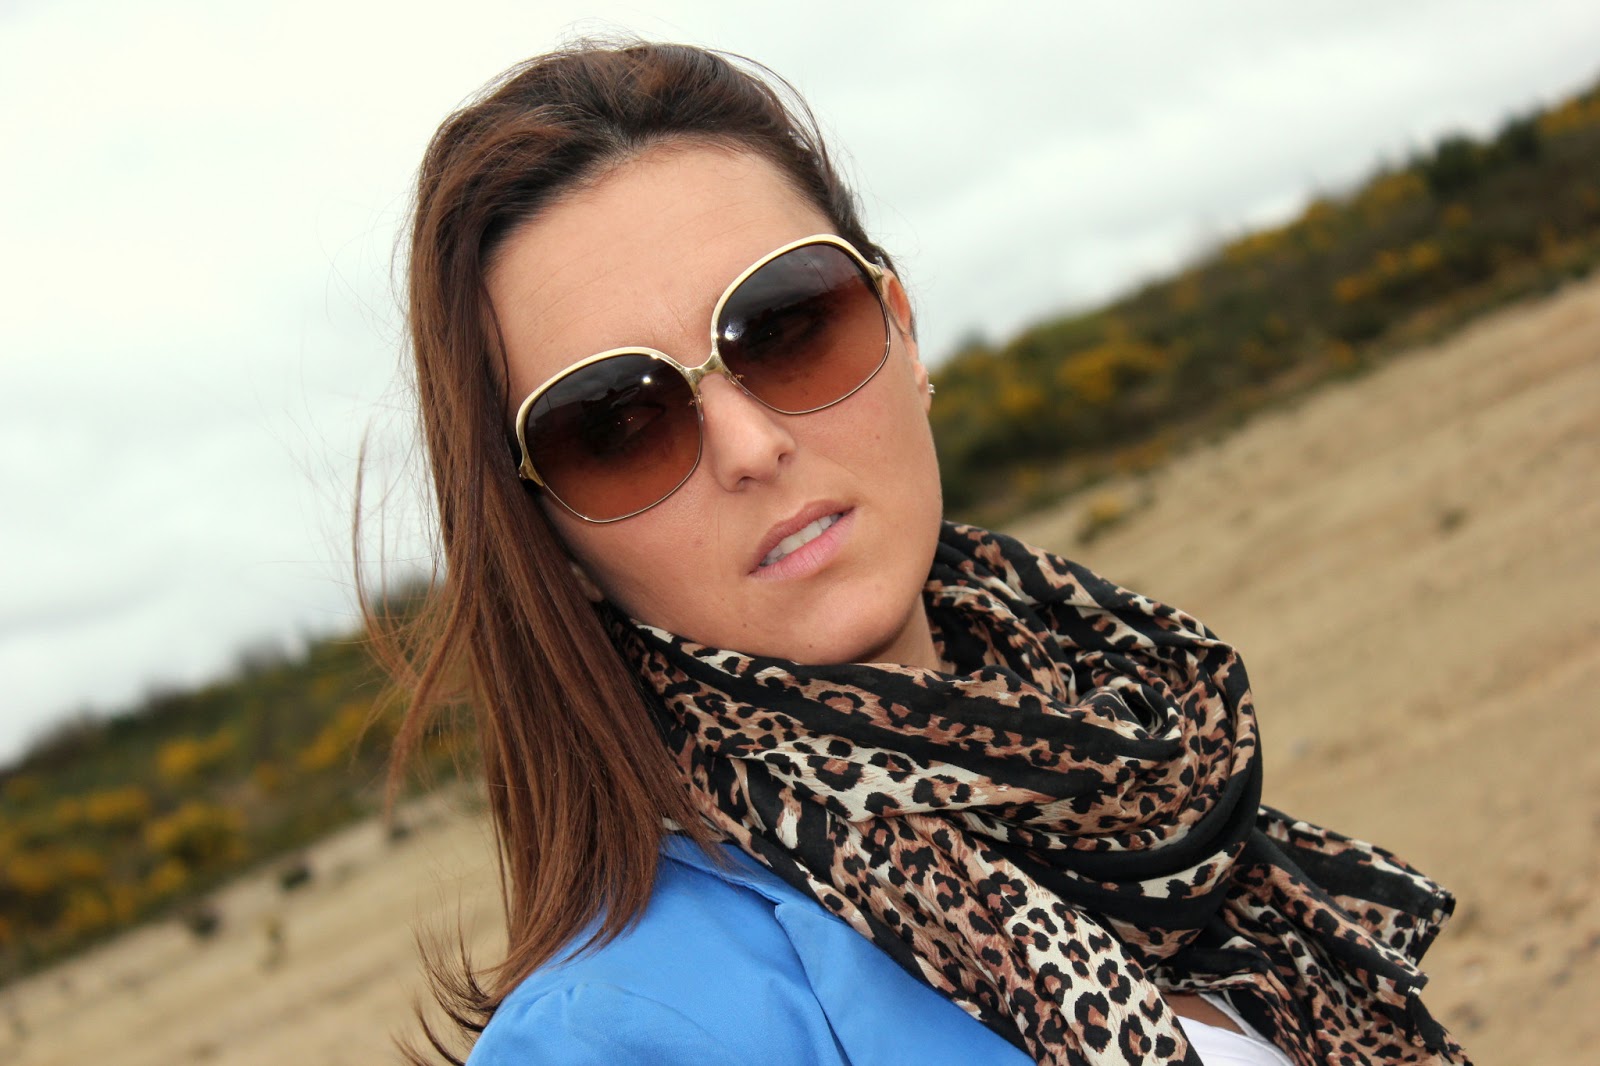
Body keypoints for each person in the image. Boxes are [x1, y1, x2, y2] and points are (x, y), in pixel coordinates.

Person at [373, 39, 1469, 1066]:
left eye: (787, 325)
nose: (750, 446)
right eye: (616, 425)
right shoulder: (619, 1036)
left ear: (903, 329)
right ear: (550, 540)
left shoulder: (1147, 780)